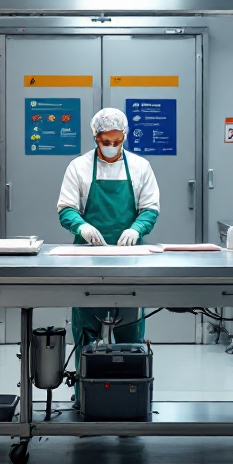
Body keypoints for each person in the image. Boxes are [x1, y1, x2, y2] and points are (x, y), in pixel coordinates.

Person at [57, 107, 160, 352]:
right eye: (105, 141)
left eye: (117, 141)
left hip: (130, 259)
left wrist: (136, 228)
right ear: (95, 138)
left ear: (125, 136)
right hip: (87, 259)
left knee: (130, 334)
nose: (111, 146)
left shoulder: (140, 166)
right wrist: (82, 227)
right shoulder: (79, 166)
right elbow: (66, 209)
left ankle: (128, 387)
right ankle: (84, 389)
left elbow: (150, 209)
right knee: (86, 335)